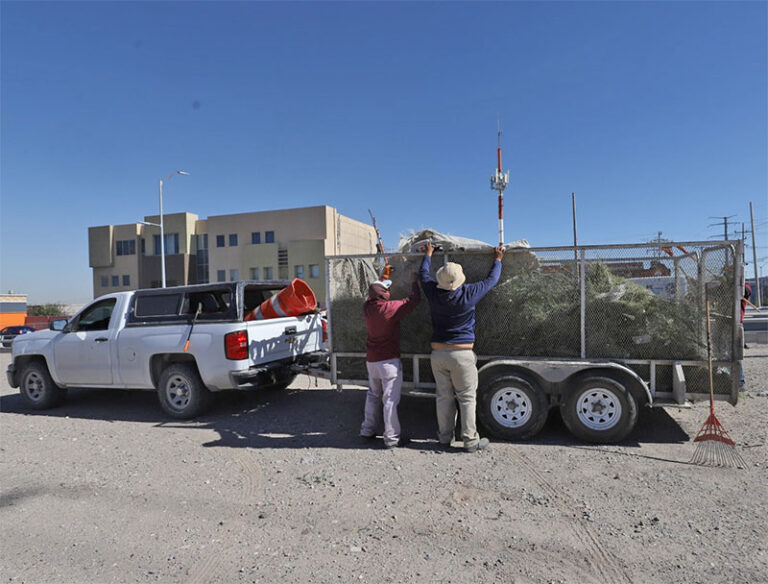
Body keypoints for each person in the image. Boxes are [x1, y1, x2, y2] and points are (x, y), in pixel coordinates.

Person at [419, 241, 504, 453]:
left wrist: (428, 254)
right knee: (466, 398)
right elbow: (491, 280)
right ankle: (470, 441)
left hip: (438, 354)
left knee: (443, 397)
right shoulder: (469, 293)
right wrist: (498, 260)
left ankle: (444, 438)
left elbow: (423, 275)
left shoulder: (433, 292)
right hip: (462, 354)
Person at [359, 276, 421, 448]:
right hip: (388, 362)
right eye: (386, 291)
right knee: (390, 401)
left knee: (372, 396)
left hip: (372, 361)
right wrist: (414, 282)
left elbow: (375, 294)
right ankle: (391, 438)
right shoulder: (390, 307)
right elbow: (414, 300)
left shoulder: (367, 307)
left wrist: (382, 279)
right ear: (383, 295)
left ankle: (367, 430)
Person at [740, 283, 752, 386]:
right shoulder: (725, 285)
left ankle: (740, 382)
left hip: (736, 324)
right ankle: (725, 378)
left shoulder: (745, 286)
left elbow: (746, 291)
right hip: (722, 322)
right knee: (722, 353)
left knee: (736, 354)